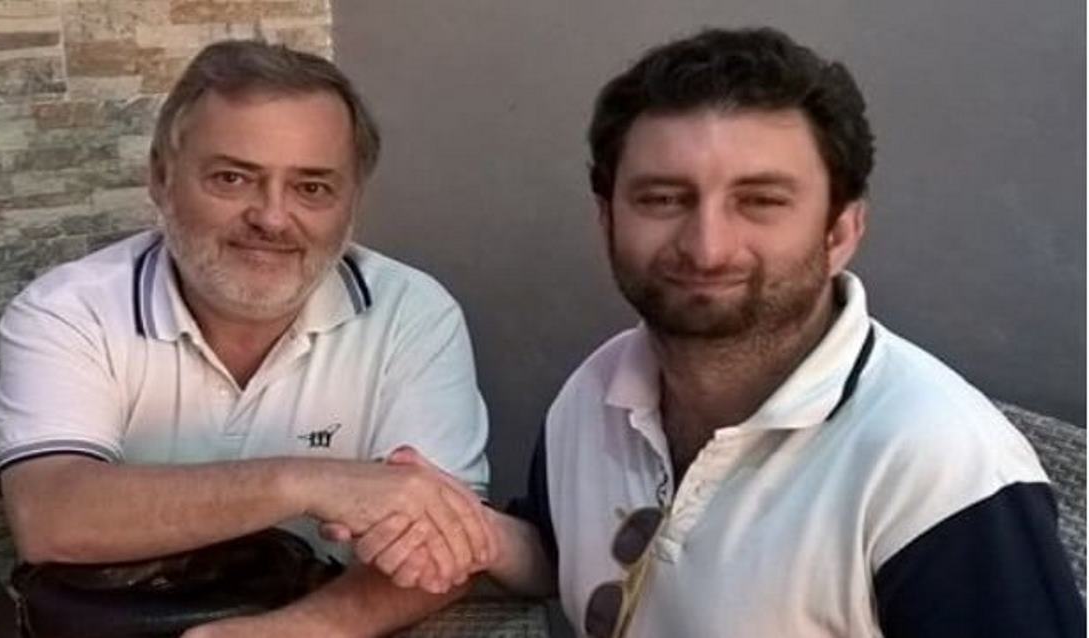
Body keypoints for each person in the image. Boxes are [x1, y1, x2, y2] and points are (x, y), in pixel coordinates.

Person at [384, 26, 1085, 637]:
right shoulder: (595, 390)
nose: (707, 246)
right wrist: (465, 530)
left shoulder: (938, 465)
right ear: (607, 220)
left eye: (760, 201)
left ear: (840, 231)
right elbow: (561, 550)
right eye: (663, 198)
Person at [0, 39, 499, 637]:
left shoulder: (412, 313)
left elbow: (447, 547)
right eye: (233, 178)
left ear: (353, 201)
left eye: (312, 188)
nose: (272, 218)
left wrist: (293, 632)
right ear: (161, 178)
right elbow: (51, 515)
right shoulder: (68, 310)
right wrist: (305, 482)